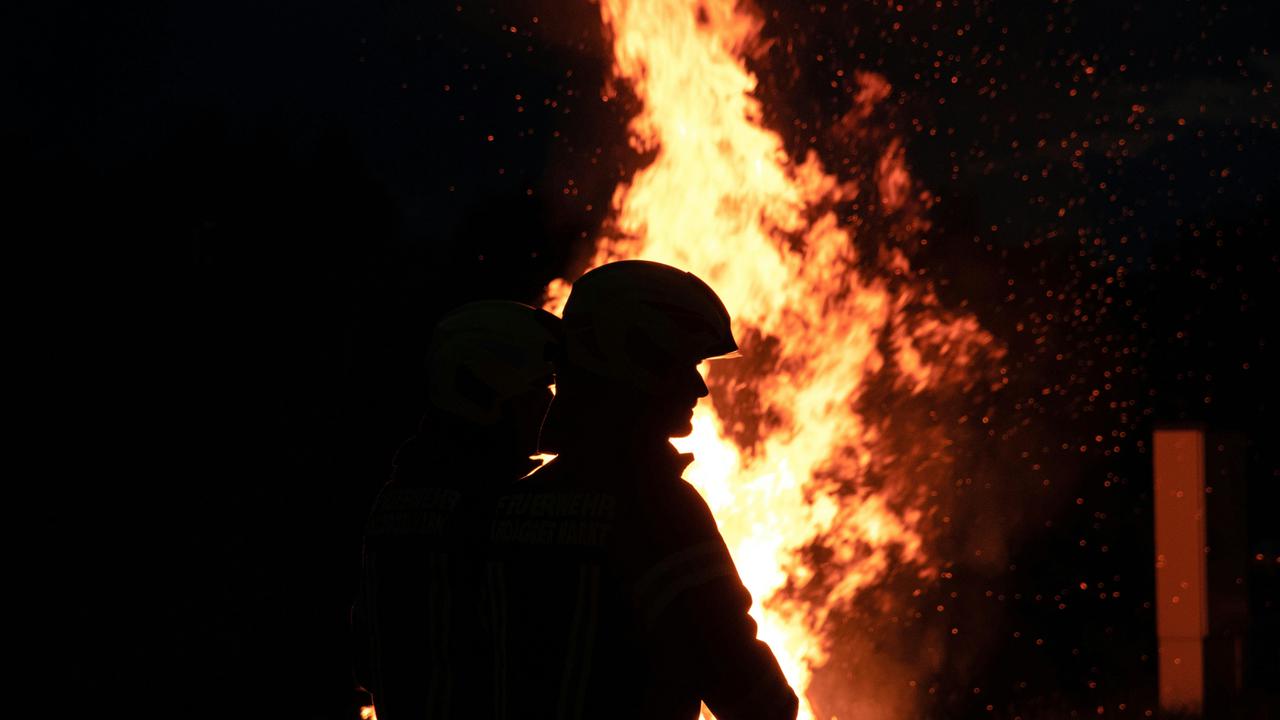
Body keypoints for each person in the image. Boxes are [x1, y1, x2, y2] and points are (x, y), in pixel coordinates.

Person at [487, 260, 798, 719]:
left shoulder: (510, 505)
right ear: (636, 357)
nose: (699, 388)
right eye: (686, 363)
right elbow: (749, 692)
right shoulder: (659, 512)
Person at [352, 300, 561, 720]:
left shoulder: (397, 497)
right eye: (539, 388)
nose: (550, 404)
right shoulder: (497, 509)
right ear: (482, 392)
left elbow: (365, 658)